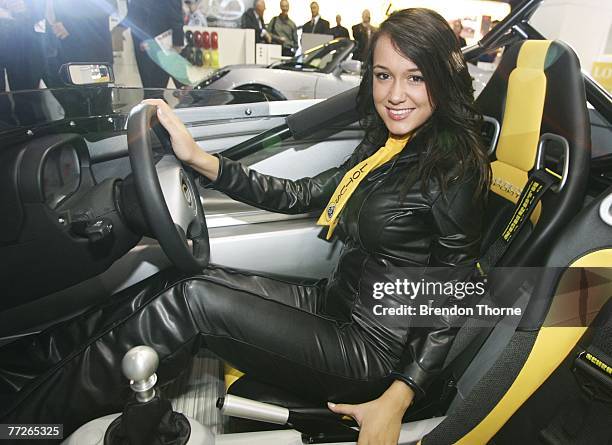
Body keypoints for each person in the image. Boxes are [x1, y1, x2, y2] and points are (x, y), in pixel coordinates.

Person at [0, 8, 490, 444]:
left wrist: (397, 397)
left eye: (415, 78)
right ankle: (22, 365)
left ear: (443, 79)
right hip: (333, 303)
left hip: (371, 352)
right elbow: (299, 194)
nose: (395, 95)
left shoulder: (455, 168)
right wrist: (202, 161)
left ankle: (24, 424)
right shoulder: (388, 144)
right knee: (185, 279)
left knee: (193, 303)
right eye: (384, 76)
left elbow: (453, 293)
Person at [116, 0, 184, 90]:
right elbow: (134, 12)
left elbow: (176, 17)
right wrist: (118, 29)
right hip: (145, 44)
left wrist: (177, 43)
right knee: (150, 88)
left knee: (155, 88)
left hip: (160, 43)